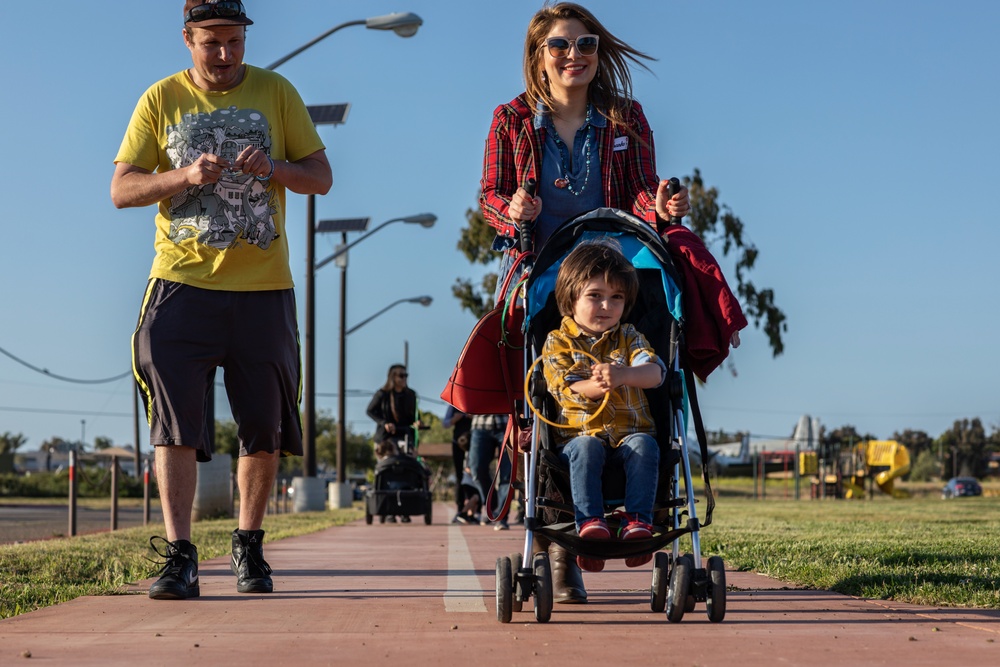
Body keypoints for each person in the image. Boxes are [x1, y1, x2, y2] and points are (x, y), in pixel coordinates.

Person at [111, 1, 332, 600]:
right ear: (188, 38)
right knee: (175, 423)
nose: (226, 54)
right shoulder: (160, 99)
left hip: (263, 290)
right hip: (181, 285)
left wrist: (277, 167)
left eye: (235, 41)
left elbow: (321, 175)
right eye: (212, 42)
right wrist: (181, 177)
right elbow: (121, 189)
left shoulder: (277, 91)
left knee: (263, 424)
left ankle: (248, 546)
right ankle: (180, 556)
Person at [480, 1, 691, 303]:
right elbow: (491, 195)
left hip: (611, 280)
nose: (574, 55)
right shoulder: (511, 119)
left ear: (597, 54)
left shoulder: (627, 117)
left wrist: (658, 208)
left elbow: (639, 190)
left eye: (586, 44)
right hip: (534, 280)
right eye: (559, 46)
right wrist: (512, 211)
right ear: (538, 58)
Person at [541, 239, 666, 573]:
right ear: (570, 298)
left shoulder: (629, 336)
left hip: (629, 434)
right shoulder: (557, 342)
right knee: (586, 447)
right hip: (580, 437)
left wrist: (624, 374)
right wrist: (595, 386)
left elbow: (655, 373)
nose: (606, 306)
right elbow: (562, 386)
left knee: (645, 445)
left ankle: (638, 521)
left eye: (616, 298)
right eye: (594, 295)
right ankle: (590, 525)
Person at [468, 414, 512, 530]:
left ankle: (501, 517)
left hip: (508, 423)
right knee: (476, 470)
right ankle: (491, 506)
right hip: (480, 424)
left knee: (508, 474)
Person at [367, 364, 421, 460]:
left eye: (406, 375)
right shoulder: (382, 394)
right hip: (385, 439)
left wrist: (417, 422)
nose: (404, 378)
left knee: (408, 466)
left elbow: (415, 415)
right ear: (393, 377)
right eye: (401, 375)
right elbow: (370, 411)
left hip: (405, 437)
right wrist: (384, 423)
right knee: (388, 467)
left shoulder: (411, 394)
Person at [443, 405, 473, 523]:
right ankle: (461, 509)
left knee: (475, 474)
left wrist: (473, 417)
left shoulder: (474, 401)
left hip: (473, 442)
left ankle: (475, 512)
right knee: (459, 476)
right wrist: (454, 419)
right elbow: (445, 423)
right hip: (457, 443)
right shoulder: (453, 405)